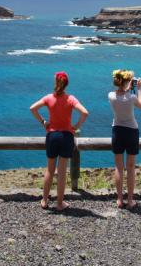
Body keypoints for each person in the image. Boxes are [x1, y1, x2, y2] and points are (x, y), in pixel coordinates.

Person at [30, 71, 89, 211]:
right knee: (62, 172)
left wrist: (43, 122)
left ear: (56, 82)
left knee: (49, 170)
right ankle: (59, 203)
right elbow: (85, 113)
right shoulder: (70, 99)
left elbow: (32, 108)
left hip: (52, 136)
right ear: (66, 84)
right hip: (66, 136)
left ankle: (44, 200)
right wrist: (76, 126)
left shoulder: (49, 98)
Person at [109, 69, 141, 209]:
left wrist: (127, 87)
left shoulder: (111, 95)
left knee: (119, 167)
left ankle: (119, 200)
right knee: (130, 168)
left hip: (117, 131)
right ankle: (130, 200)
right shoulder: (132, 97)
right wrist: (139, 89)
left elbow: (120, 94)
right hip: (131, 131)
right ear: (127, 82)